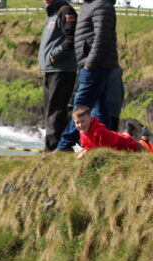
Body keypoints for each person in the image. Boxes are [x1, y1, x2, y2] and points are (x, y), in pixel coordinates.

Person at [56, 0, 119, 151]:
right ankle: (105, 147)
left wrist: (89, 64)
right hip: (92, 64)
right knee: (100, 108)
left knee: (81, 104)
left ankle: (64, 146)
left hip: (95, 66)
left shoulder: (101, 5)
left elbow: (102, 38)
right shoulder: (90, 5)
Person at [38, 0, 77, 152]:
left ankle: (54, 149)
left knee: (56, 111)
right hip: (50, 69)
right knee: (50, 111)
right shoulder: (52, 13)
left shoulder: (65, 10)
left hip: (61, 70)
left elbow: (71, 39)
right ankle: (54, 147)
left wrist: (55, 55)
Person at [72, 106, 140, 159]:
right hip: (119, 144)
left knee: (143, 149)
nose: (80, 125)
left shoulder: (99, 132)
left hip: (129, 146)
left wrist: (87, 152)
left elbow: (106, 151)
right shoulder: (82, 132)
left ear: (91, 119)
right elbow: (89, 147)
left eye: (83, 121)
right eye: (77, 122)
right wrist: (84, 151)